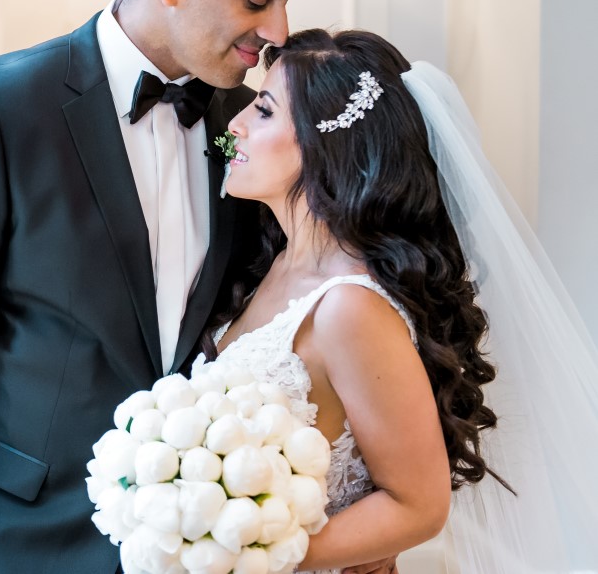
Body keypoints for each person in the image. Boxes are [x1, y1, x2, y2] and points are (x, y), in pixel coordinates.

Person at [0, 0, 318, 574]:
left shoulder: (254, 127)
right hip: (27, 538)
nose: (278, 30)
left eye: (288, 1)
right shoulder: (0, 107)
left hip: (204, 544)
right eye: (258, 0)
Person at [210, 28, 598, 573]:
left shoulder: (349, 308)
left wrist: (241, 551)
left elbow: (418, 506)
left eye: (265, 110)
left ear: (329, 149)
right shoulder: (269, 261)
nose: (236, 125)